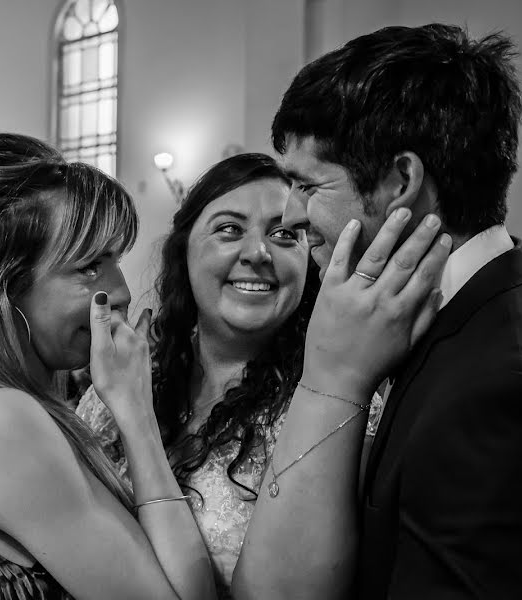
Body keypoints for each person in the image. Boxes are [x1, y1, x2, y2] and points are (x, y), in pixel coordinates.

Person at [232, 24, 522, 600]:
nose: (291, 217)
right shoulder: (460, 321)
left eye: (306, 185)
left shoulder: (500, 389)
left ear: (401, 179)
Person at [0, 133, 217, 599]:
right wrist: (136, 414)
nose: (121, 291)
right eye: (90, 266)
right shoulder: (0, 422)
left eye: (115, 261)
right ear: (4, 290)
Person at [78, 154, 347, 596]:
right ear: (183, 250)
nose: (258, 253)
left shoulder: (325, 402)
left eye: (284, 234)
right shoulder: (128, 376)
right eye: (229, 229)